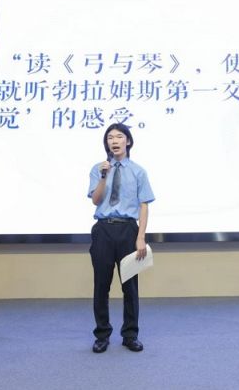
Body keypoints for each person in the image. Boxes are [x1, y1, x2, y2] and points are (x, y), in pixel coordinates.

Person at [87, 123, 154, 353]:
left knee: (130, 287)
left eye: (118, 136)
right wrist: (103, 176)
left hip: (128, 231)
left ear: (128, 141)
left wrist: (141, 237)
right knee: (101, 286)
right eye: (110, 137)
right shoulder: (98, 169)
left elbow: (144, 206)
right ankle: (102, 335)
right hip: (103, 230)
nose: (114, 141)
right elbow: (96, 200)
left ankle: (130, 335)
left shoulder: (138, 171)